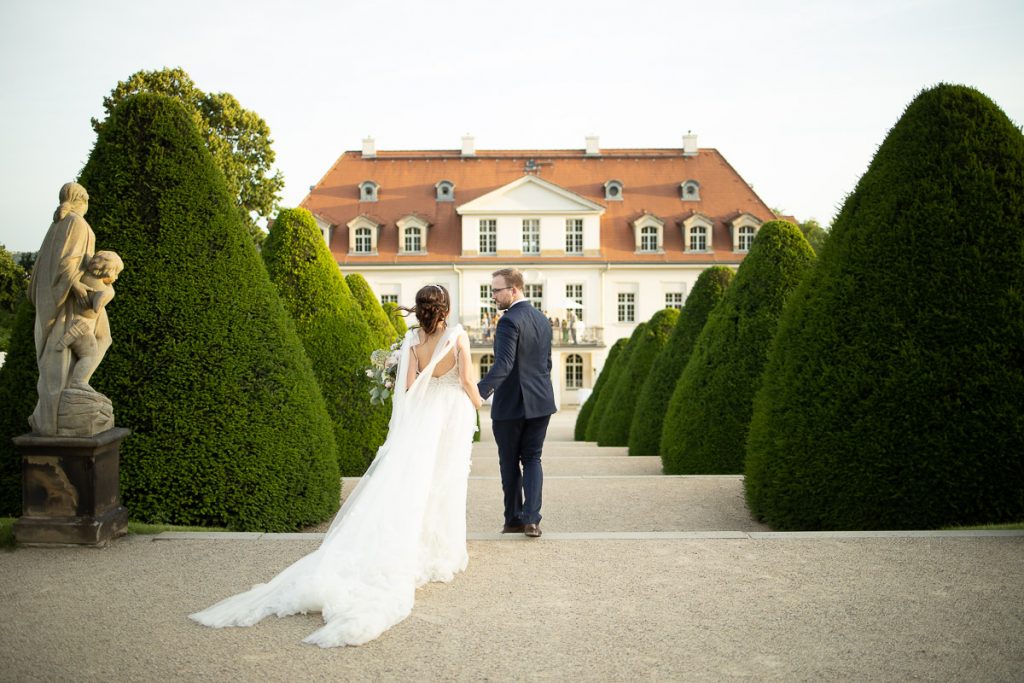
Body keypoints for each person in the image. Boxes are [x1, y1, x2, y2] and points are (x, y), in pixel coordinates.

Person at [190, 284, 483, 648]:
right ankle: (437, 547)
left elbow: (407, 388)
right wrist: (479, 403)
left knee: (409, 484)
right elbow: (468, 380)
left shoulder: (411, 339)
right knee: (443, 481)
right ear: (446, 308)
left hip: (422, 417)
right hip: (449, 414)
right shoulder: (457, 336)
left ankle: (410, 541)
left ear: (421, 310)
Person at [477, 268, 557, 538]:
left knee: (510, 462)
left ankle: (513, 519)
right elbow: (547, 363)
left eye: (497, 290)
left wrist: (478, 394)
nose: (493, 296)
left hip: (511, 404)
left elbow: (504, 364)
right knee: (533, 459)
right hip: (541, 402)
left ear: (514, 289)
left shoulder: (509, 321)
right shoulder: (542, 320)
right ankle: (532, 520)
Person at [27, 182, 100, 435]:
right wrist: (76, 285)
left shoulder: (56, 224)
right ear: (83, 201)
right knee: (56, 366)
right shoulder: (77, 224)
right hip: (66, 304)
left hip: (50, 301)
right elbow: (67, 263)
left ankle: (49, 419)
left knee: (52, 364)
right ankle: (51, 423)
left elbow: (41, 271)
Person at [55, 250, 123, 391]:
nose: (116, 278)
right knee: (89, 354)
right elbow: (97, 306)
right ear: (108, 271)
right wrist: (108, 293)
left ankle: (79, 381)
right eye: (116, 273)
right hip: (80, 327)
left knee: (104, 341)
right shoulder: (102, 290)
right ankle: (78, 382)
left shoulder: (84, 275)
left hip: (80, 323)